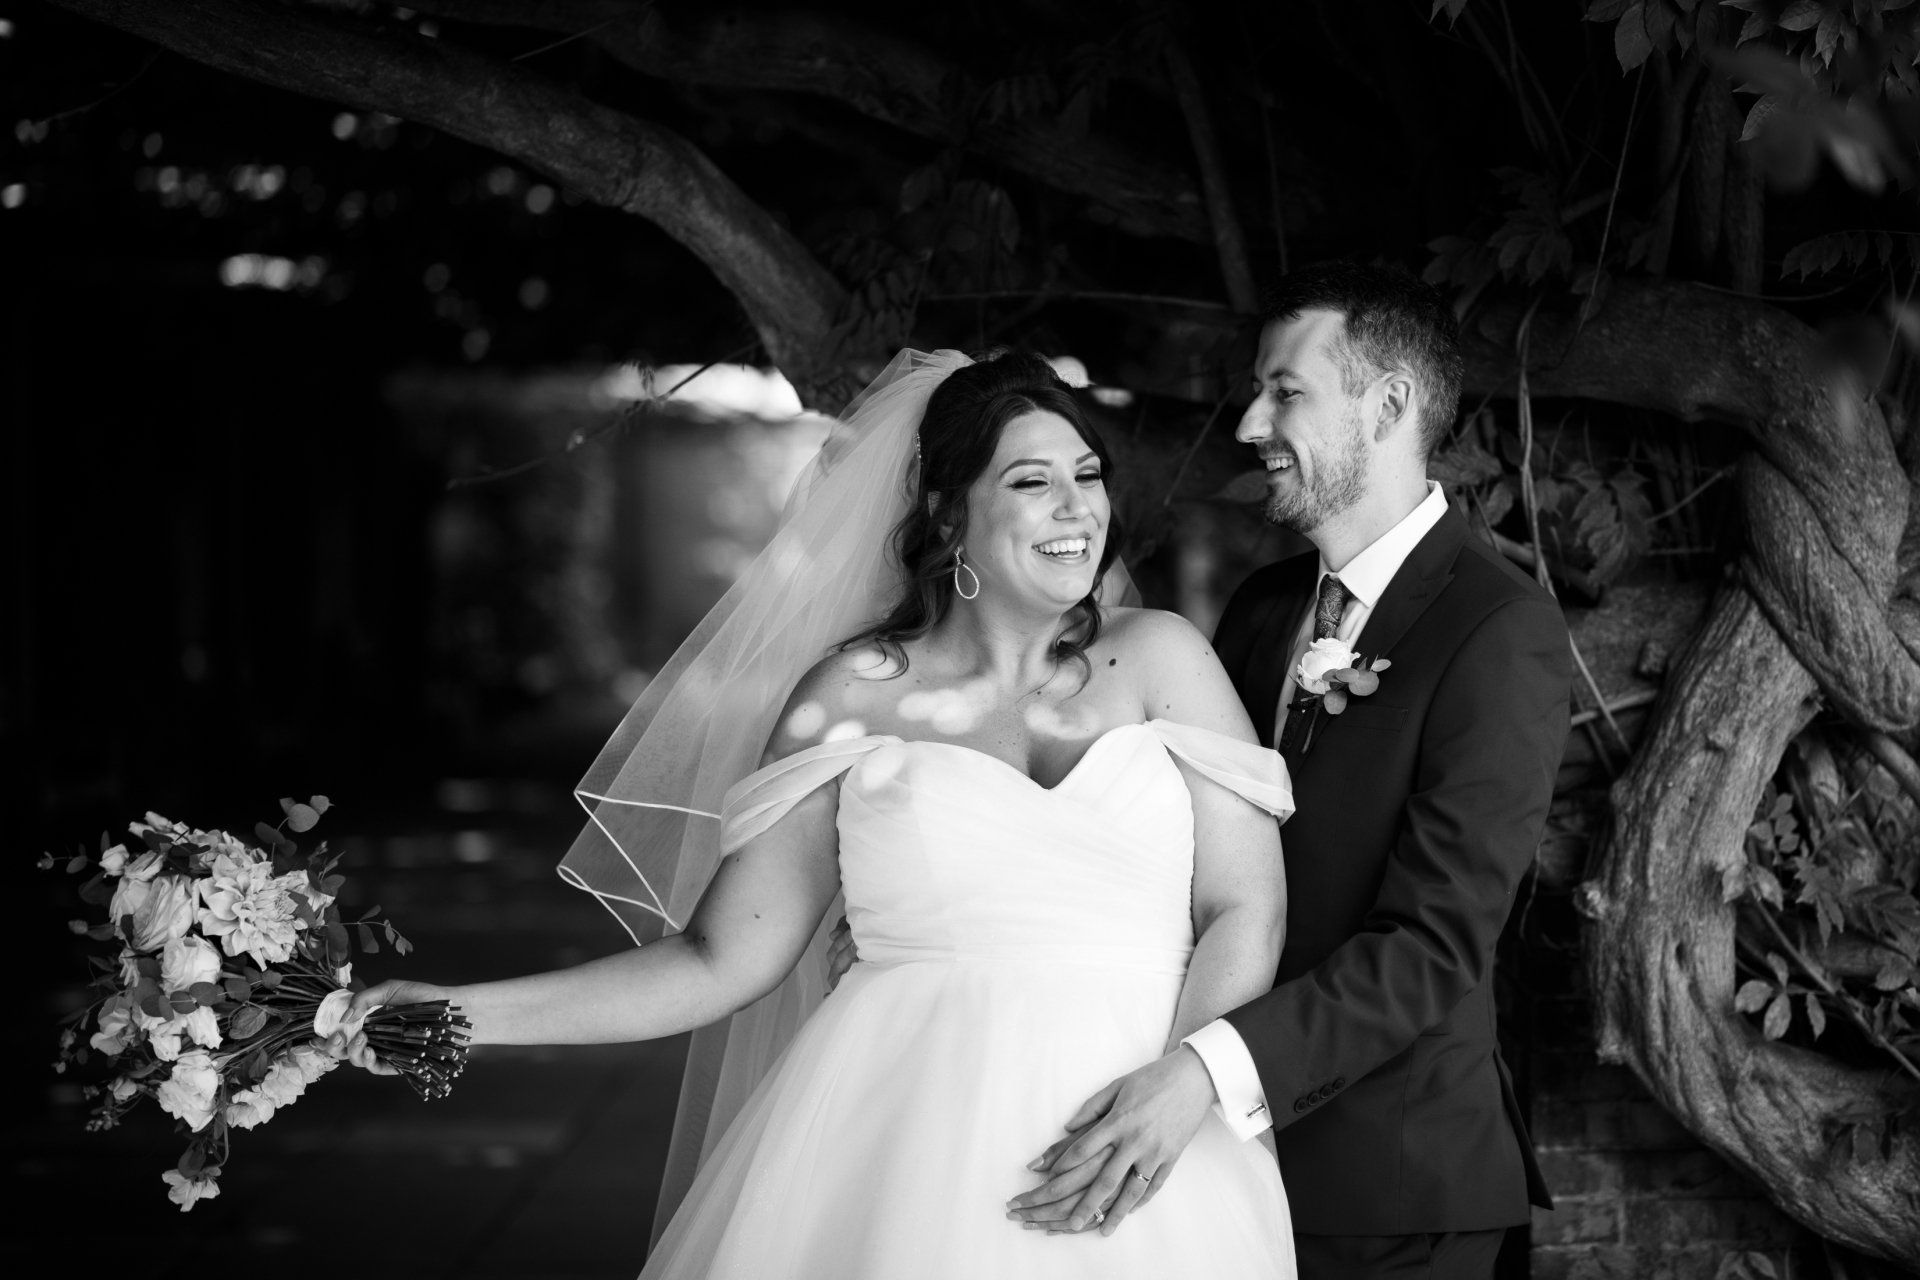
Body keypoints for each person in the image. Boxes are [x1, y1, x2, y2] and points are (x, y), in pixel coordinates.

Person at [324, 349, 1299, 1278]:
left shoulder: (1164, 656)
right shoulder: (850, 697)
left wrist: (1188, 1082)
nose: (1077, 507)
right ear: (948, 513)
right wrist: (460, 1011)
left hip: (1160, 1129)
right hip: (910, 1142)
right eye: (1030, 481)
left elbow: (1244, 905)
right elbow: (717, 958)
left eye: (1086, 475)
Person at [1003, 264, 1570, 1280]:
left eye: (1286, 391)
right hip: (1205, 1173)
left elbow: (1433, 944)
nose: (1250, 423)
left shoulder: (1498, 626)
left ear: (1388, 404)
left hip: (1390, 1192)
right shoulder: (1265, 608)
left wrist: (1202, 1073)